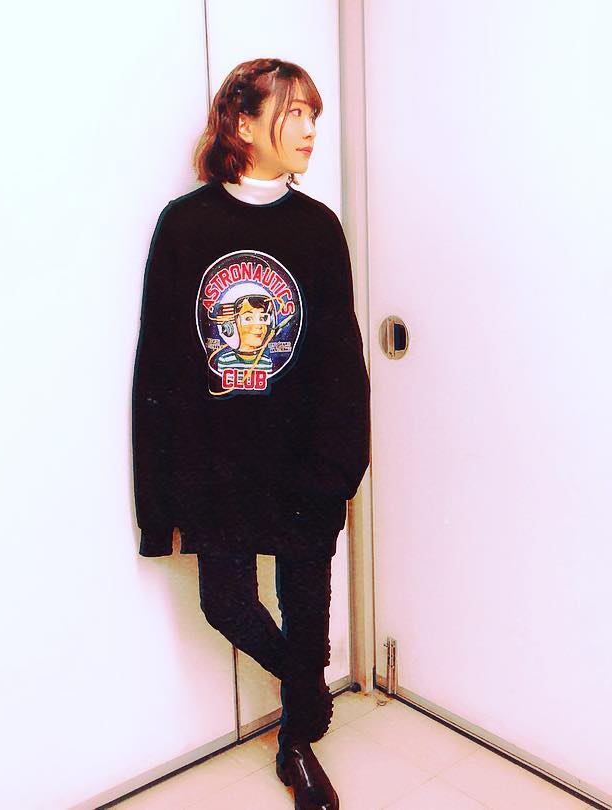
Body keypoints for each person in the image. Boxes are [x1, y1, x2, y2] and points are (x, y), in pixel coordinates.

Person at [130, 58, 370, 810]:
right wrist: (158, 503)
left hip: (305, 467)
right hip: (216, 468)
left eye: (313, 115)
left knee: (307, 611)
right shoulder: (186, 224)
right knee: (225, 602)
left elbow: (342, 360)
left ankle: (297, 745)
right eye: (292, 113)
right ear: (243, 124)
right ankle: (309, 694)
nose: (309, 130)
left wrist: (341, 470)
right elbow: (159, 364)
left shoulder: (318, 228)